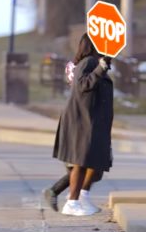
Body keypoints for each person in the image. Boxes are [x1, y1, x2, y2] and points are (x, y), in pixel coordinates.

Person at [52, 34, 114, 216]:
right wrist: (101, 68)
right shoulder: (88, 62)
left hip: (91, 119)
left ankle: (82, 198)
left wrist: (103, 66)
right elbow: (82, 85)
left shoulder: (94, 62)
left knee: (94, 161)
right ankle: (72, 202)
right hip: (82, 120)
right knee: (80, 161)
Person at [43, 59, 103, 213]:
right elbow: (84, 85)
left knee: (89, 167)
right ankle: (70, 197)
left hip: (83, 118)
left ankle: (71, 195)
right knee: (83, 166)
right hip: (80, 119)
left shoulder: (80, 64)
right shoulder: (83, 65)